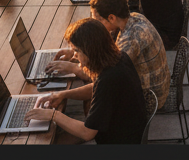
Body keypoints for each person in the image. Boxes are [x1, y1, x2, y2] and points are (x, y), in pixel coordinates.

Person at [44, 0, 171, 110]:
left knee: (95, 98)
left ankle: (94, 128)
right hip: (155, 86)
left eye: (98, 20)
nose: (96, 24)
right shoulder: (133, 17)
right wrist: (76, 51)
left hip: (150, 99)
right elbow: (107, 51)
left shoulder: (130, 41)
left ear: (111, 18)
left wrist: (72, 68)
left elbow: (105, 78)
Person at [26, 17, 147, 145]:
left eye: (77, 51)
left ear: (90, 51)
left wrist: (53, 115)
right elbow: (95, 88)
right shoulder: (120, 58)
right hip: (128, 129)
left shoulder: (108, 79)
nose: (74, 56)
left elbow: (87, 133)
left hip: (120, 140)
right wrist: (62, 94)